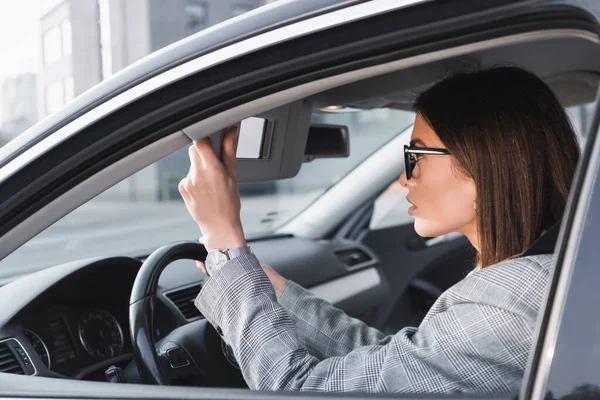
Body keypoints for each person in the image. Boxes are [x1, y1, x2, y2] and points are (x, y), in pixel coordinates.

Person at [177, 66, 580, 393]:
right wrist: (270, 287)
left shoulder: (513, 305)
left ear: (485, 166)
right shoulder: (544, 273)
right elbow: (393, 363)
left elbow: (298, 388)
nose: (405, 180)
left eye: (417, 155)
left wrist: (224, 236)